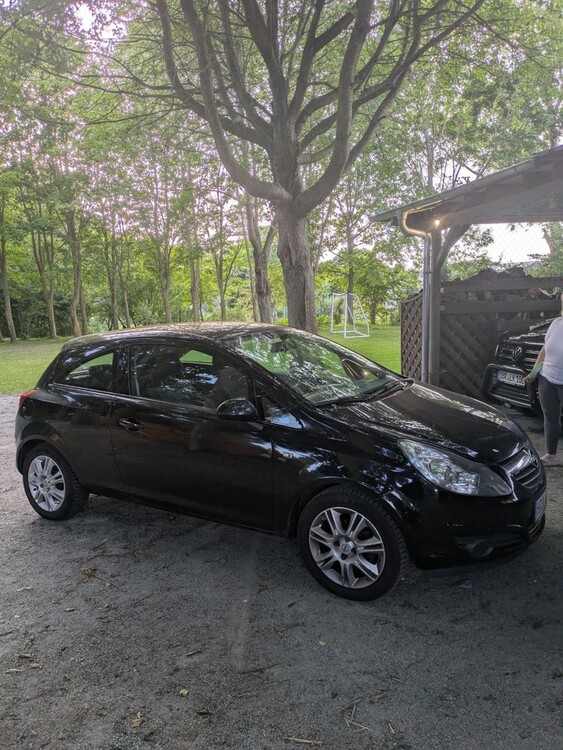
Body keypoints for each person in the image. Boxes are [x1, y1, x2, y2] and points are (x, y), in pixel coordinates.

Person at [525, 296, 563, 466]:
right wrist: (534, 372)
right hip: (547, 377)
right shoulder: (556, 323)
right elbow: (544, 349)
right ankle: (551, 455)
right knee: (550, 416)